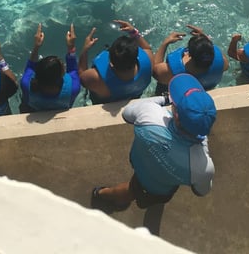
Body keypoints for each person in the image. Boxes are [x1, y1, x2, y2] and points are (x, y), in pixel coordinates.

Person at [90, 73, 216, 212]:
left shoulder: (150, 113)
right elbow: (201, 191)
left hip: (139, 161)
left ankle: (101, 195)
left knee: (132, 189)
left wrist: (165, 98)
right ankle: (109, 196)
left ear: (177, 116)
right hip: (161, 188)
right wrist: (203, 142)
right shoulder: (203, 167)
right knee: (142, 193)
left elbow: (127, 114)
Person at [78, 20, 154, 104]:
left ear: (110, 62)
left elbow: (81, 77)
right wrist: (133, 32)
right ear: (136, 57)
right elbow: (147, 48)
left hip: (105, 104)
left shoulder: (96, 78)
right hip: (133, 96)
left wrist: (85, 49)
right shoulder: (149, 62)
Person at [19, 23, 82, 113]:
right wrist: (71, 46)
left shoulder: (26, 84)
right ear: (62, 74)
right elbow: (72, 70)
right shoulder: (73, 88)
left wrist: (36, 46)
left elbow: (30, 65)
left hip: (34, 111)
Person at [153, 25, 228, 91]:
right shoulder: (223, 62)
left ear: (189, 54)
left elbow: (154, 71)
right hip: (204, 89)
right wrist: (204, 38)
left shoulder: (172, 72)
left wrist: (165, 43)